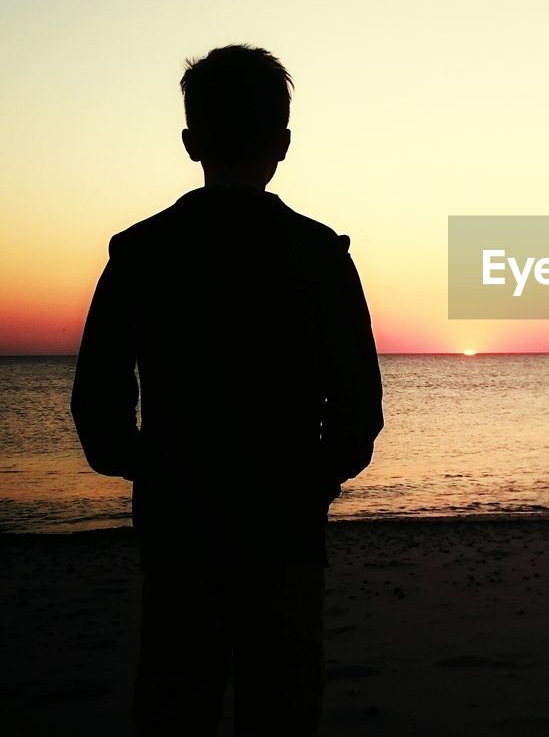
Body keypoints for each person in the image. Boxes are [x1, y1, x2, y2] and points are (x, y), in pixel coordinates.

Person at [70, 44, 383, 735]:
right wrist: (317, 475)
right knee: (282, 705)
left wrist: (151, 466)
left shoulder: (142, 252)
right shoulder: (320, 254)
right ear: (283, 144)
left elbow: (97, 406)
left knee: (175, 704)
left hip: (180, 526)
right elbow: (359, 409)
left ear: (191, 142)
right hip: (286, 525)